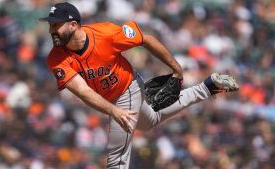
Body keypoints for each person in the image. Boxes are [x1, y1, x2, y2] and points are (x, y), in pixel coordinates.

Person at [39, 2, 239, 169]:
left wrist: (176, 67)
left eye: (56, 25)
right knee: (150, 121)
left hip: (129, 87)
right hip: (111, 100)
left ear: (73, 25)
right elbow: (82, 91)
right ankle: (208, 87)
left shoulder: (106, 34)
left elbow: (146, 39)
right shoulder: (55, 58)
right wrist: (113, 110)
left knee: (116, 159)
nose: (52, 30)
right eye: (51, 26)